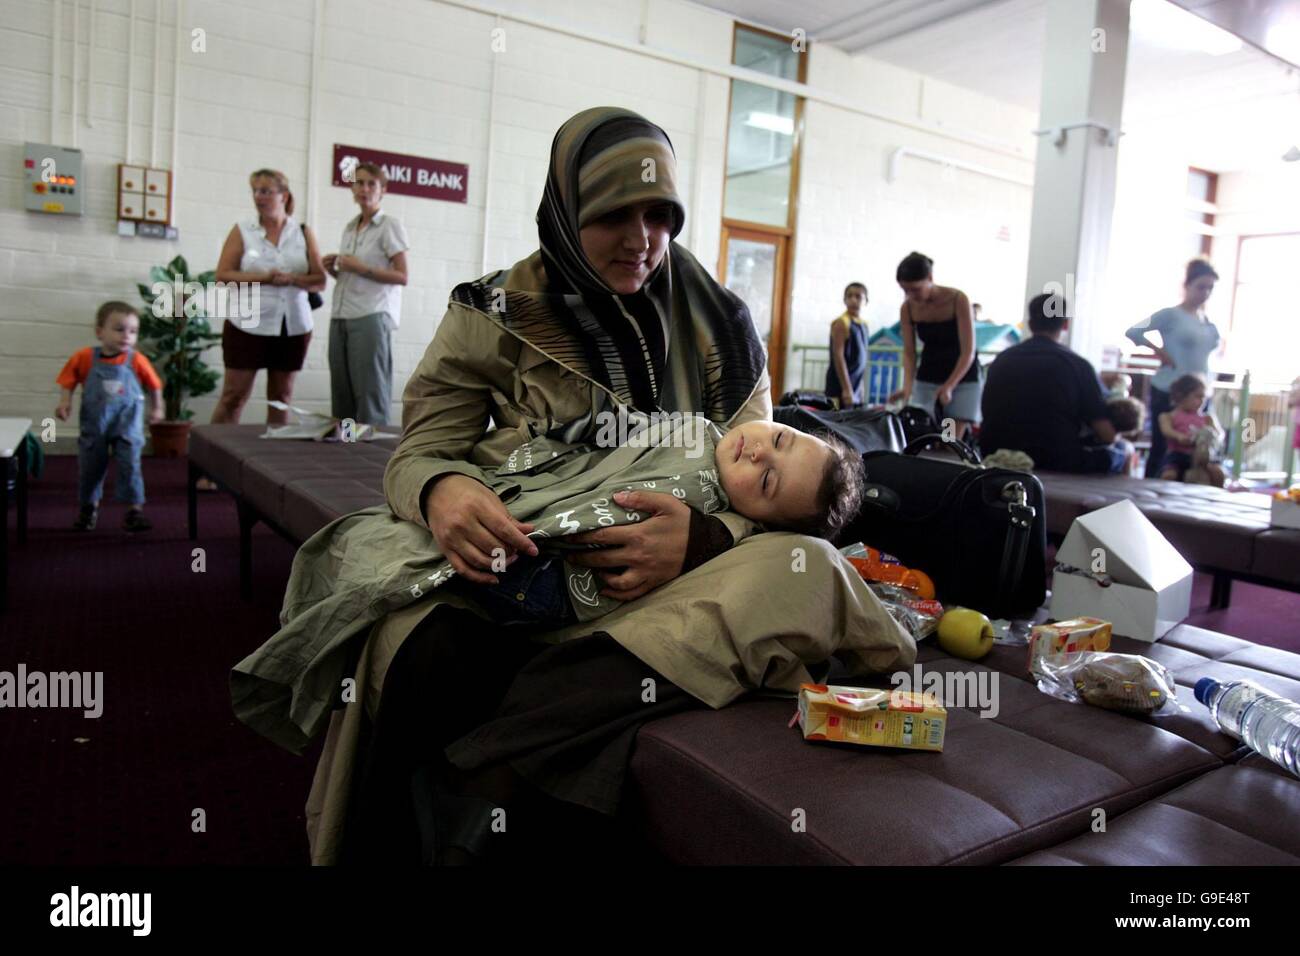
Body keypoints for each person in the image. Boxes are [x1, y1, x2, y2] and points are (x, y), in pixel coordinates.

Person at [231, 107, 914, 866]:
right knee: (426, 649)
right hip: (526, 558)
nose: (641, 239)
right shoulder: (495, 311)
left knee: (807, 569)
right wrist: (444, 491)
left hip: (673, 592)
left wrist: (706, 539)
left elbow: (775, 486)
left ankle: (518, 755)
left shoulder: (718, 323)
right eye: (613, 214)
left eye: (660, 215)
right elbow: (420, 447)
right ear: (564, 206)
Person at [211, 169, 325, 426]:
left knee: (281, 397)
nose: (258, 197)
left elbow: (320, 281)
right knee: (233, 396)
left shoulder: (303, 232)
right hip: (247, 322)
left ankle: (272, 459)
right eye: (255, 191)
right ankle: (213, 459)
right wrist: (265, 278)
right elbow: (223, 275)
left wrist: (293, 279)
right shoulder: (243, 230)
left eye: (265, 191)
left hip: (292, 325)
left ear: (283, 195)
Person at [979, 293, 1130, 473]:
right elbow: (1107, 435)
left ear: (1030, 323)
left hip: (994, 451)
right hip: (1055, 459)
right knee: (1124, 449)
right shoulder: (1078, 365)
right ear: (1065, 324)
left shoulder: (1001, 360)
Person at [54, 301, 164, 532]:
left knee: (130, 465)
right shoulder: (84, 357)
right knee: (90, 467)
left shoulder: (136, 360)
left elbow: (155, 385)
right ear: (99, 331)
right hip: (95, 426)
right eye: (119, 329)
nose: (126, 336)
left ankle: (134, 511)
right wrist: (65, 401)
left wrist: (157, 408)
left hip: (128, 427)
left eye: (133, 331)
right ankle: (88, 508)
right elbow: (68, 380)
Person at [324, 162, 409, 425]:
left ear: (382, 190)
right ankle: (348, 455)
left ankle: (372, 459)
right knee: (342, 395)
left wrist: (360, 268)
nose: (364, 189)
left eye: (371, 184)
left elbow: (402, 275)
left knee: (369, 394)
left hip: (371, 314)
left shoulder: (388, 225)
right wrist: (335, 271)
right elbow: (356, 274)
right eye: (358, 183)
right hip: (342, 314)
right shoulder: (351, 227)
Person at [1125, 257, 1222, 478]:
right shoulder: (1170, 315)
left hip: (1200, 392)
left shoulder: (1206, 321)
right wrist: (1160, 352)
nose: (1205, 293)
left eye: (1210, 288)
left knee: (1199, 447)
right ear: (1187, 286)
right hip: (1170, 388)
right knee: (1163, 447)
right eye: (1200, 287)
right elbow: (1134, 331)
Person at [887, 252, 981, 437]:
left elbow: (968, 351)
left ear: (930, 278)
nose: (910, 295)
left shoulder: (958, 299)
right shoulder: (907, 308)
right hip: (928, 375)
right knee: (923, 436)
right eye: (905, 290)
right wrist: (907, 388)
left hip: (962, 377)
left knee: (950, 440)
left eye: (915, 289)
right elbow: (909, 353)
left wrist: (949, 386)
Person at [1156, 373, 1225, 485]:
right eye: (1198, 396)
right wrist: (1179, 436)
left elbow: (1220, 434)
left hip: (1203, 456)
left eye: (1203, 397)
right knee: (1169, 475)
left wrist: (1210, 437)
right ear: (1181, 395)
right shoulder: (1168, 416)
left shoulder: (1207, 418)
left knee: (1218, 474)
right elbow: (1166, 431)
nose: (1202, 401)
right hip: (1178, 455)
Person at [825, 282, 869, 409]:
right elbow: (838, 356)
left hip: (855, 382)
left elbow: (862, 358)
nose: (853, 300)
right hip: (840, 382)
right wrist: (846, 388)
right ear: (844, 300)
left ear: (866, 300)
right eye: (849, 296)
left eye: (858, 296)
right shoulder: (841, 323)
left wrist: (860, 386)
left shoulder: (864, 325)